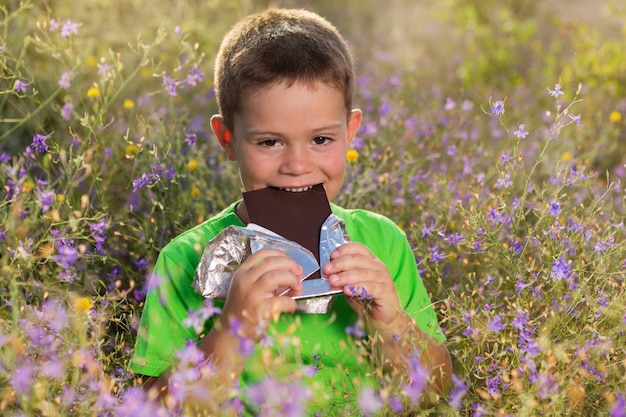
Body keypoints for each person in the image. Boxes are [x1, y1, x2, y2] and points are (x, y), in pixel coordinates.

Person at [131, 7, 452, 414]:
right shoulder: (184, 259)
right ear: (226, 139)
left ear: (350, 132)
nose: (298, 165)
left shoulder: (382, 242)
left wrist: (389, 323)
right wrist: (234, 330)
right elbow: (154, 409)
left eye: (321, 139)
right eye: (269, 142)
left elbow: (437, 393)